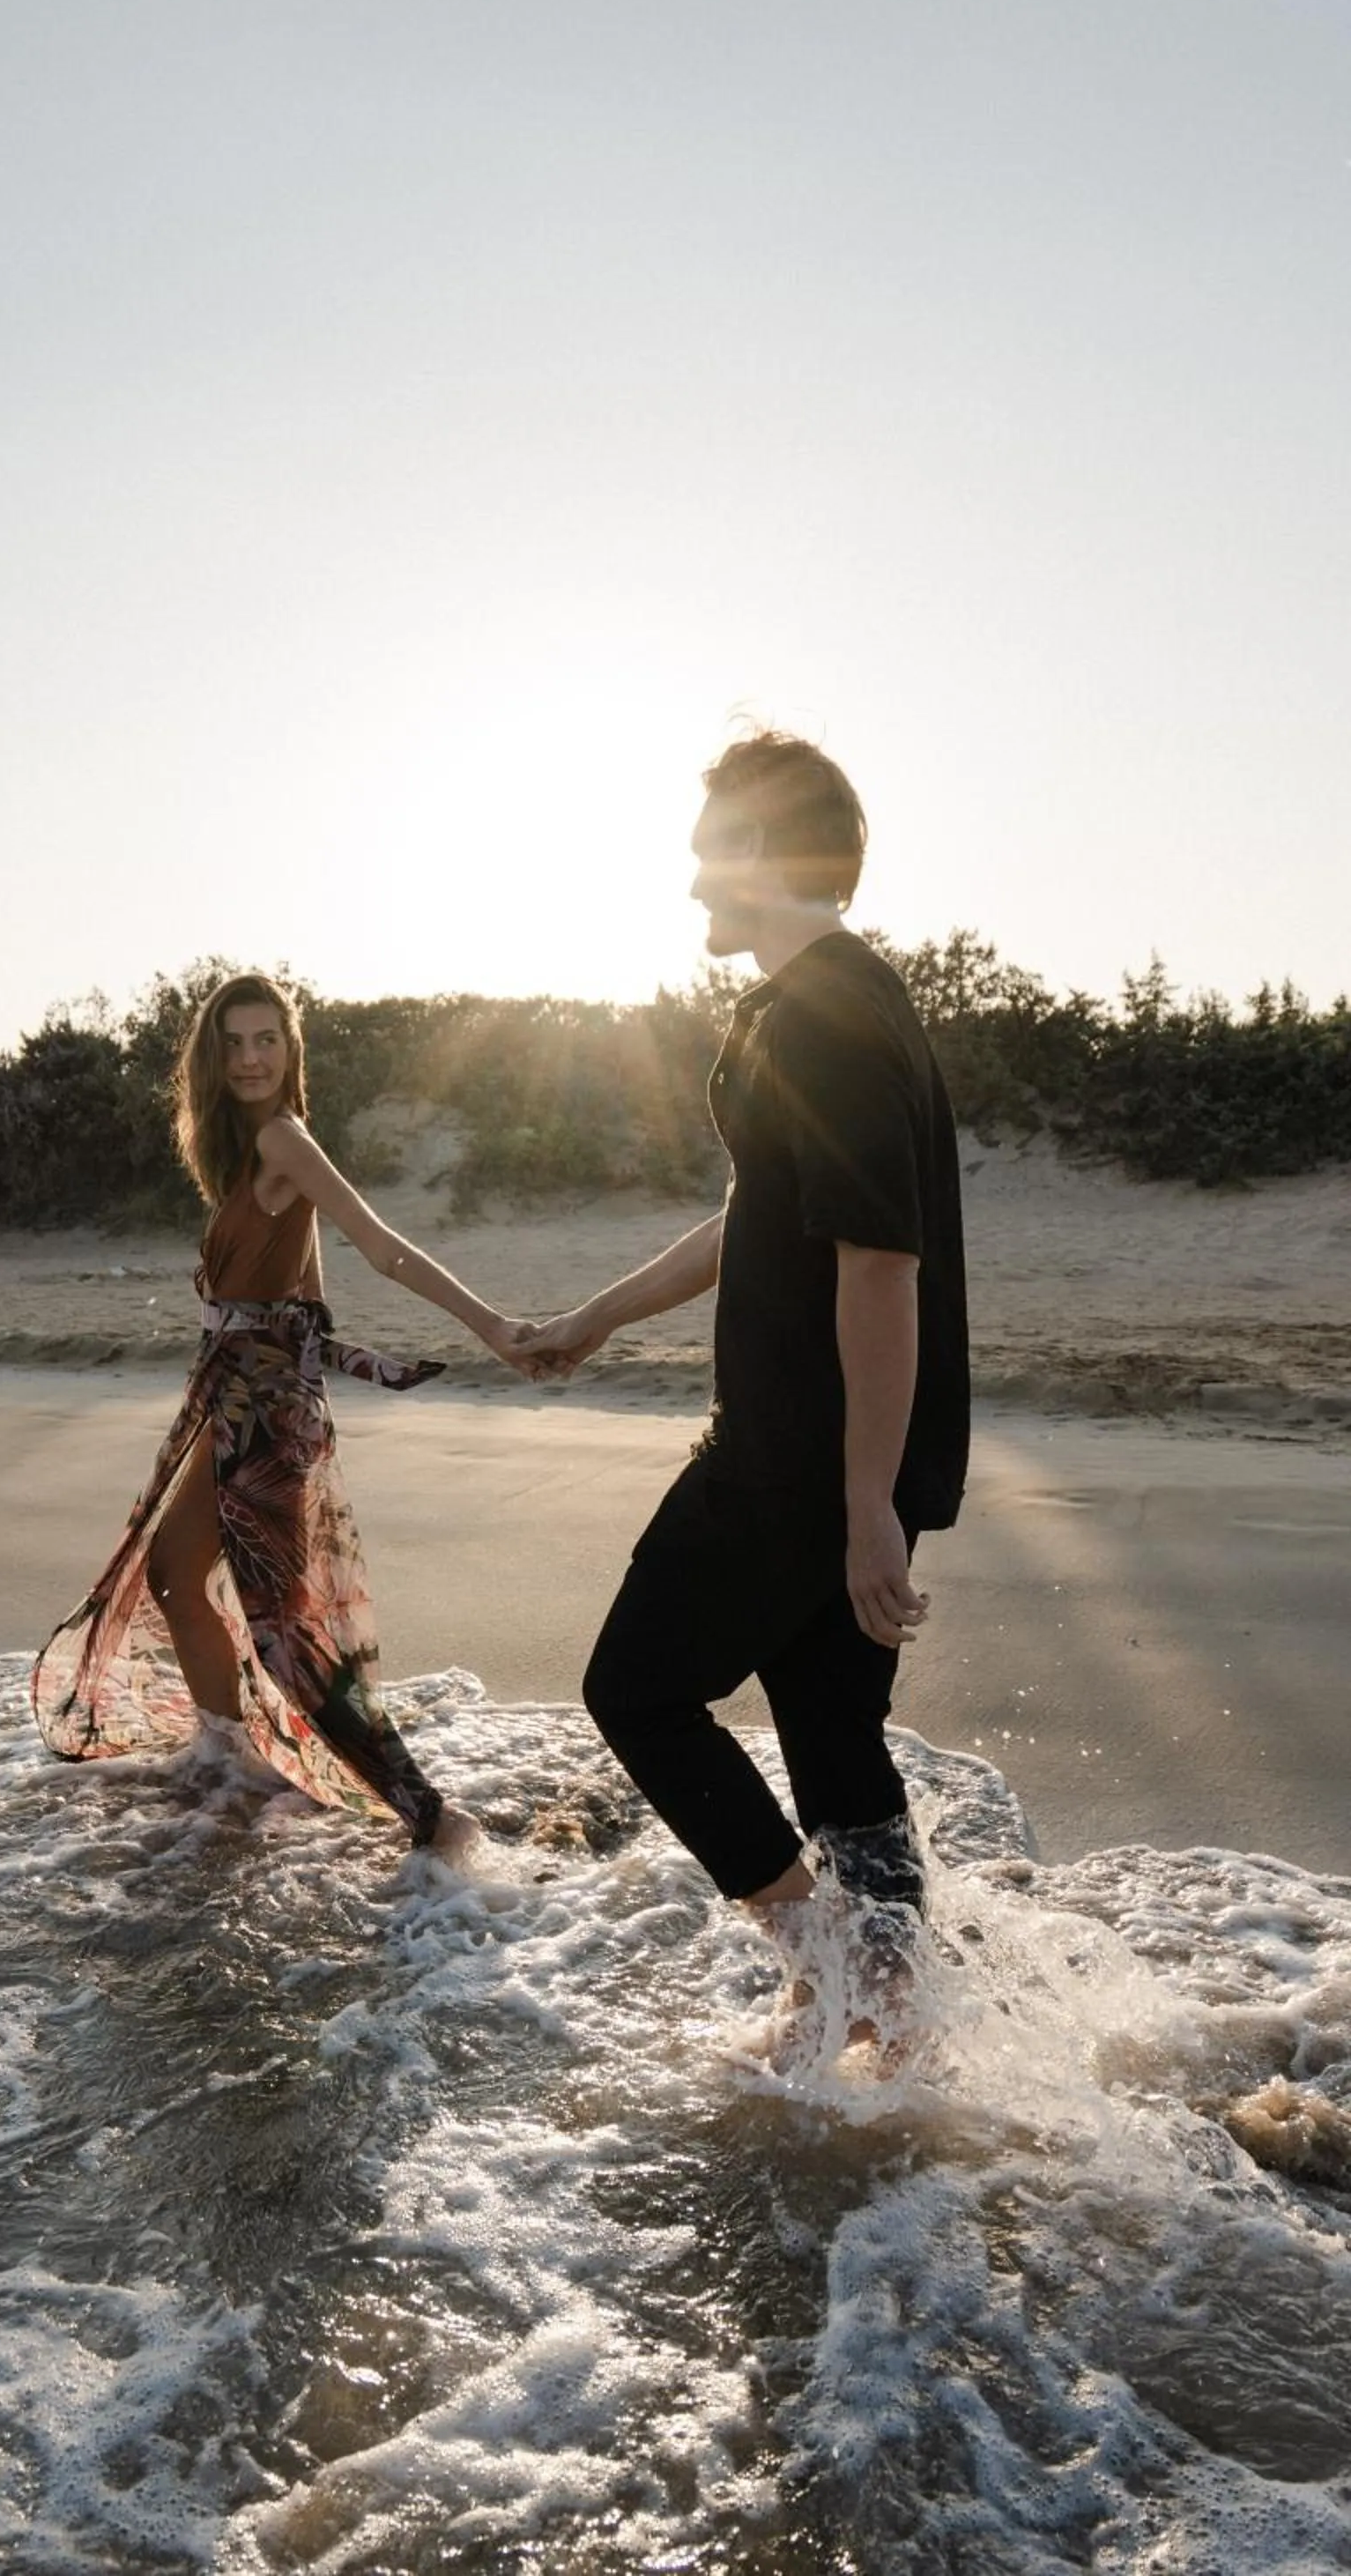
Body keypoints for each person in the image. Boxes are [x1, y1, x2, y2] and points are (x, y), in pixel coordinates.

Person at [516, 731, 969, 2038]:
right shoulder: (826, 1002)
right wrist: (596, 1319)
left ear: (762, 847)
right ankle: (898, 2031)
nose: (692, 883)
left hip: (798, 1461)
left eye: (709, 851)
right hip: (844, 1459)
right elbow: (763, 1218)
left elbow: (879, 1264)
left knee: (637, 1692)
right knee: (834, 1746)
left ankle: (827, 1963)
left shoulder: (827, 1018)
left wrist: (864, 1504)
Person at [32, 970, 532, 1856]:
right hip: (237, 1393)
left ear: (291, 1050)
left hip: (264, 1408)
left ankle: (432, 1816)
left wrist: (491, 1326)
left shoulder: (283, 1138)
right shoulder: (240, 1149)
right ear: (211, 1057)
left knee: (287, 1625)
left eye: (267, 1040)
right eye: (233, 1043)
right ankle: (228, 1758)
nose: (250, 1058)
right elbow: (304, 1285)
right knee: (176, 1573)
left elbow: (382, 1248)